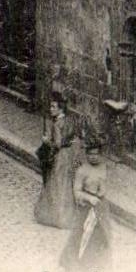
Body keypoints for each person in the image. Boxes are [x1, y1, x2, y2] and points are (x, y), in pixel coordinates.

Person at [61, 138, 113, 271]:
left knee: (102, 234)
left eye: (96, 154)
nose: (93, 157)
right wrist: (90, 198)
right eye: (90, 154)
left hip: (101, 206)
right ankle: (77, 263)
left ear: (100, 154)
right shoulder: (82, 171)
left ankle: (98, 263)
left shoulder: (103, 167)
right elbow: (76, 191)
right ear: (86, 154)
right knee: (82, 234)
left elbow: (104, 184)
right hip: (87, 207)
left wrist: (102, 193)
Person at [34, 92, 82, 227]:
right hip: (69, 155)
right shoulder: (69, 121)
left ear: (61, 109)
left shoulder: (56, 124)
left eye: (53, 107)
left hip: (60, 156)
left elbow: (58, 144)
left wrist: (46, 141)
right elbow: (74, 138)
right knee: (66, 185)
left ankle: (55, 217)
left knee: (56, 185)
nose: (51, 109)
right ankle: (67, 216)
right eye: (51, 106)